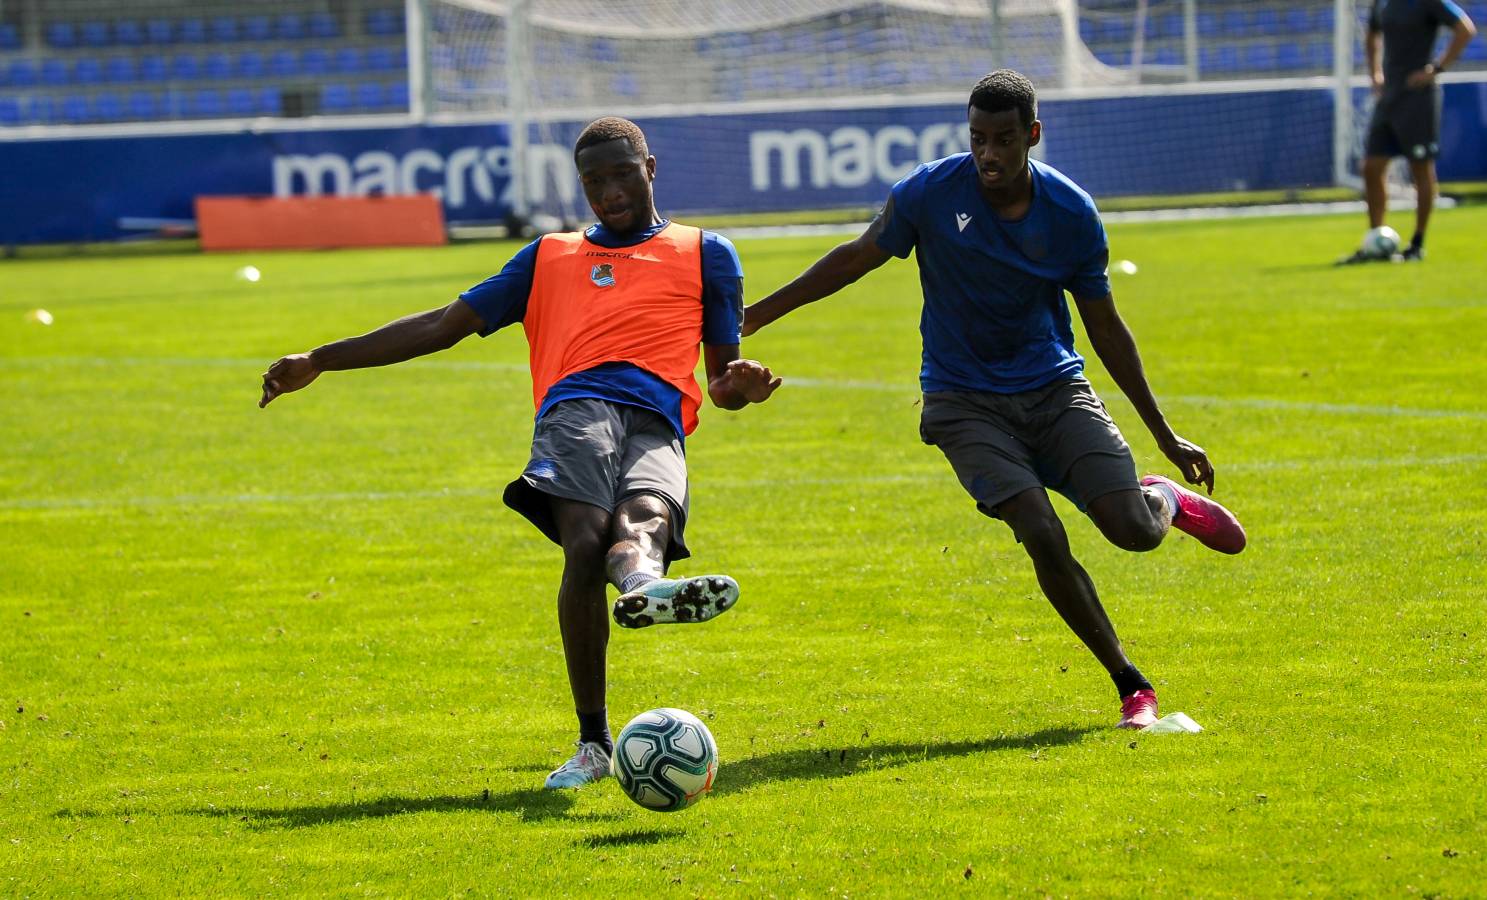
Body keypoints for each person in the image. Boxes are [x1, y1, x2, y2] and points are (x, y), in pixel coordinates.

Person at [259, 116, 781, 788]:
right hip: (576, 408)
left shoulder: (708, 253)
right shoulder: (547, 257)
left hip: (659, 418)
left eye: (621, 174)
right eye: (593, 181)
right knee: (587, 541)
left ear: (649, 168)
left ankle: (646, 590)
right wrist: (323, 360)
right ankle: (594, 741)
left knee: (648, 512)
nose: (609, 192)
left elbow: (721, 379)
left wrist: (742, 386)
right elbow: (444, 325)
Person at [743, 70, 1246, 730]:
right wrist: (753, 316)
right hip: (961, 402)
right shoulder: (929, 192)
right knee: (1038, 529)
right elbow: (856, 257)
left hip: (1055, 390)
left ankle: (1165, 500)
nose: (988, 154)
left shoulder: (1069, 214)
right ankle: (1131, 684)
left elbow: (1104, 328)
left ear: (1031, 135)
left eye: (1003, 139)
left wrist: (1164, 434)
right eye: (977, 138)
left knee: (1133, 533)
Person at [1341, 0, 1476, 263]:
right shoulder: (1382, 2)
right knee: (1371, 167)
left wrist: (1435, 69)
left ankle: (1417, 244)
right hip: (1389, 96)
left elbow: (1465, 29)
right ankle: (1375, 240)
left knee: (1420, 168)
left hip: (1418, 98)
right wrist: (1375, 74)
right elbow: (1372, 35)